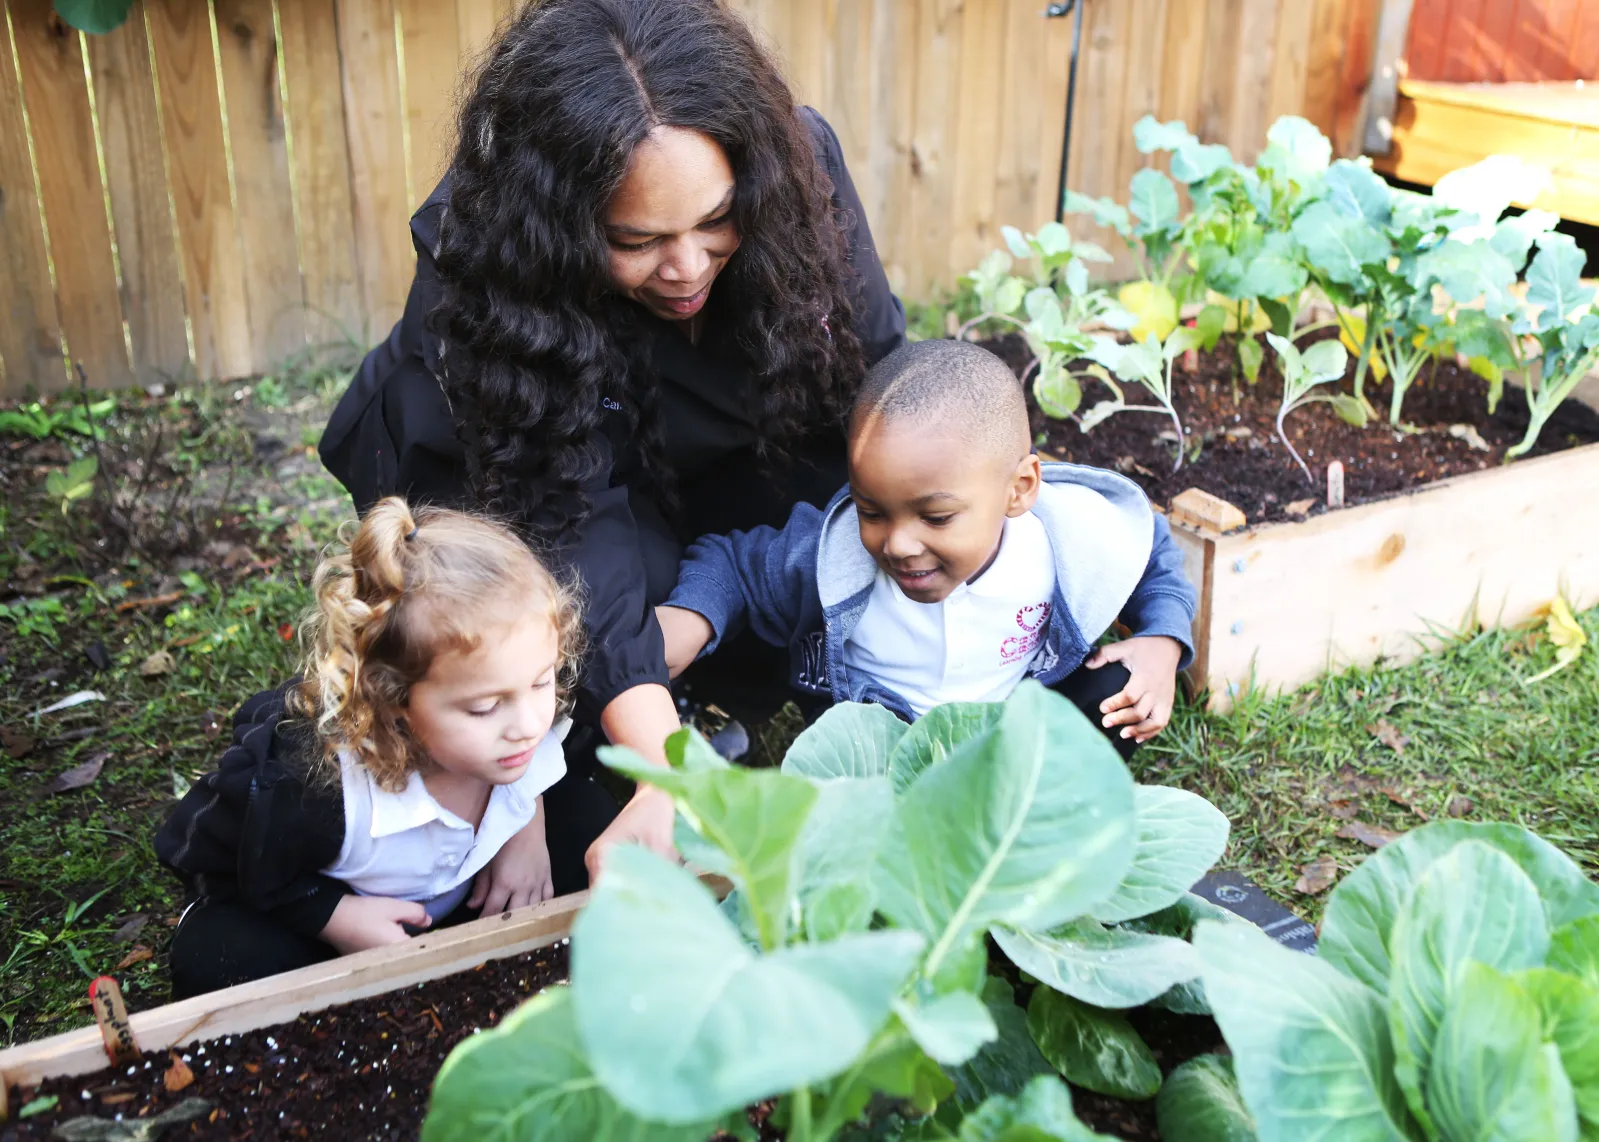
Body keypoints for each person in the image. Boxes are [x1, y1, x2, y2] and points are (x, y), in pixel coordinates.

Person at [318, 0, 905, 880]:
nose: (686, 267)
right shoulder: (485, 244)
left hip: (684, 429)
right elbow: (571, 516)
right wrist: (662, 762)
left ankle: (702, 681)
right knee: (545, 616)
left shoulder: (795, 160)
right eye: (636, 240)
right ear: (562, 222)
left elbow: (874, 378)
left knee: (819, 510)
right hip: (491, 449)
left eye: (715, 221)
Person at [654, 340, 1198, 752]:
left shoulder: (1064, 539)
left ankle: (1042, 802)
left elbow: (1148, 546)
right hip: (883, 743)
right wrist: (689, 619)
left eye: (936, 517)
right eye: (872, 511)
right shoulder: (832, 558)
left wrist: (1163, 641)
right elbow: (736, 566)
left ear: (1020, 490)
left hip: (1010, 723)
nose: (898, 543)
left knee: (1120, 689)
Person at [154, 499, 599, 998]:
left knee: (599, 833)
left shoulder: (522, 725)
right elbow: (198, 851)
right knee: (218, 958)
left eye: (541, 682)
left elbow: (539, 745)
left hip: (456, 904)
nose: (528, 725)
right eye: (483, 708)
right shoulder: (313, 789)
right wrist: (334, 916)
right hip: (343, 930)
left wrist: (526, 830)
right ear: (392, 699)